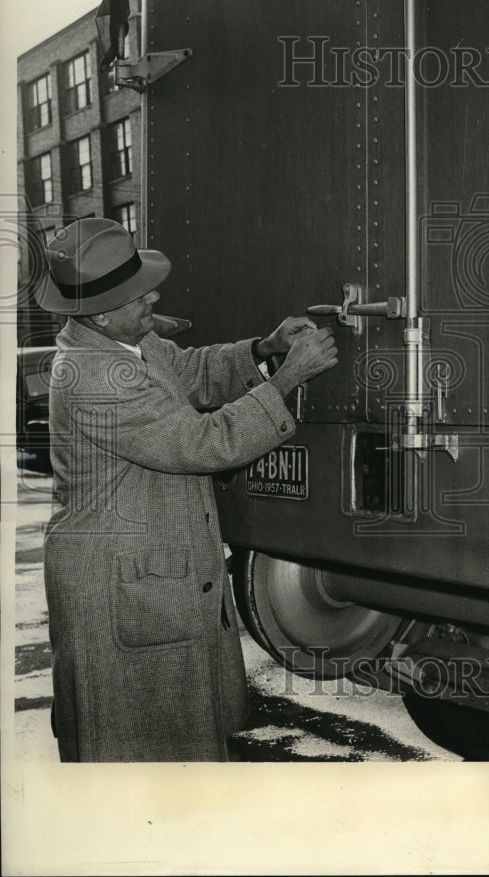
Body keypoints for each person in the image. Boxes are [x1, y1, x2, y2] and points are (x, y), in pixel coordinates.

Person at [34, 217, 338, 762]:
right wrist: (286, 381)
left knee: (165, 741)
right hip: (116, 582)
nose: (153, 296)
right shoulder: (90, 376)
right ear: (101, 313)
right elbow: (200, 443)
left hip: (137, 568)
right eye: (136, 295)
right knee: (132, 752)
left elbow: (193, 370)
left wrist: (264, 349)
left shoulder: (127, 343)